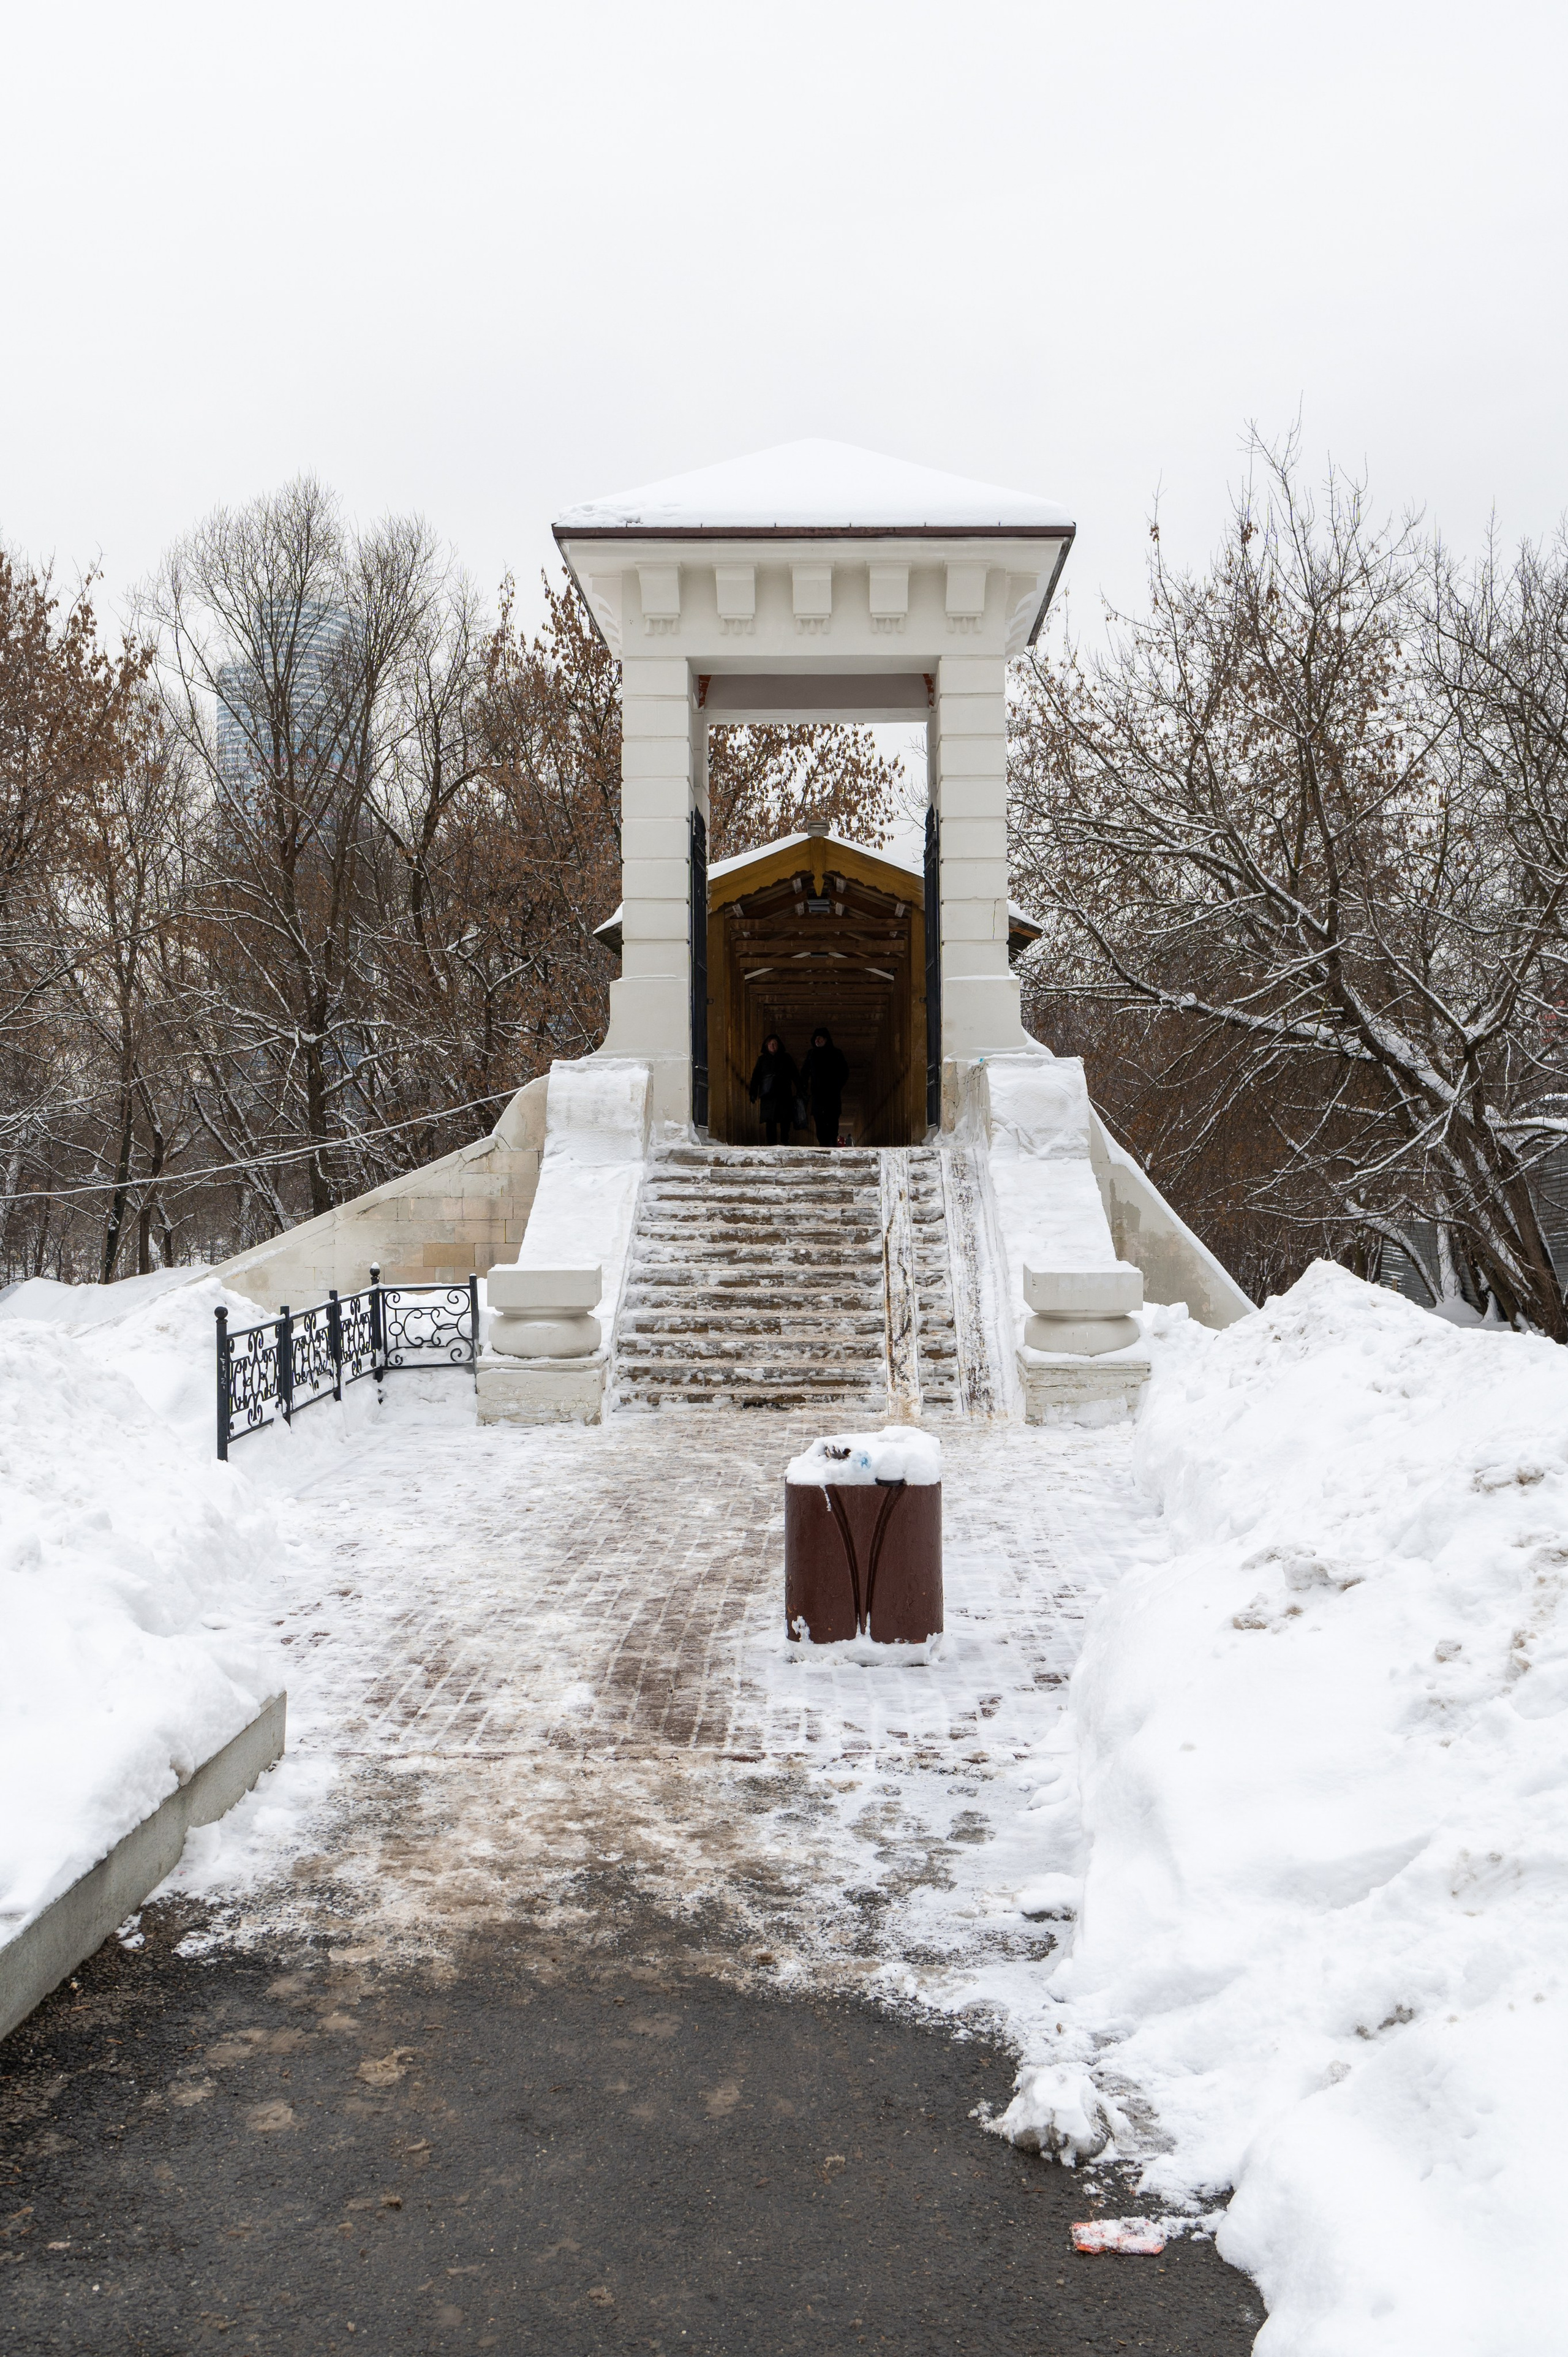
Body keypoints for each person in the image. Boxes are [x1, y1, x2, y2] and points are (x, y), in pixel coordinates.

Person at [800, 1026, 849, 1147]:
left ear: (827, 1039)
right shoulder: (811, 1055)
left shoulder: (836, 1053)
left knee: (832, 1120)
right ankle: (823, 1144)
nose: (818, 1040)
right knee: (819, 1121)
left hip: (832, 1095)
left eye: (820, 1038)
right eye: (816, 1038)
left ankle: (832, 1142)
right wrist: (803, 1087)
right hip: (818, 1095)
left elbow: (845, 1072)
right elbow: (805, 1072)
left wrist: (837, 1086)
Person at [748, 1033, 799, 1144]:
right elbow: (756, 1077)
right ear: (766, 1046)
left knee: (785, 1120)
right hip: (768, 1095)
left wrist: (801, 1089)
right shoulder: (762, 1060)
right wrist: (753, 1092)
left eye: (775, 1044)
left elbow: (795, 1074)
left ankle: (785, 1141)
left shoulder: (786, 1058)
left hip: (784, 1094)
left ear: (779, 1045)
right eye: (770, 1044)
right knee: (770, 1120)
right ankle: (771, 1143)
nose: (773, 1046)